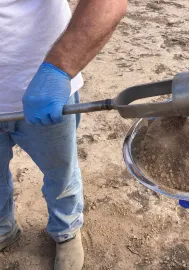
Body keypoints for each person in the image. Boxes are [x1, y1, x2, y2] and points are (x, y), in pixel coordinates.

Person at [0, 0, 127, 269]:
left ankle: (66, 230)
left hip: (43, 92)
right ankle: (3, 226)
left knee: (61, 173)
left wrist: (59, 69)